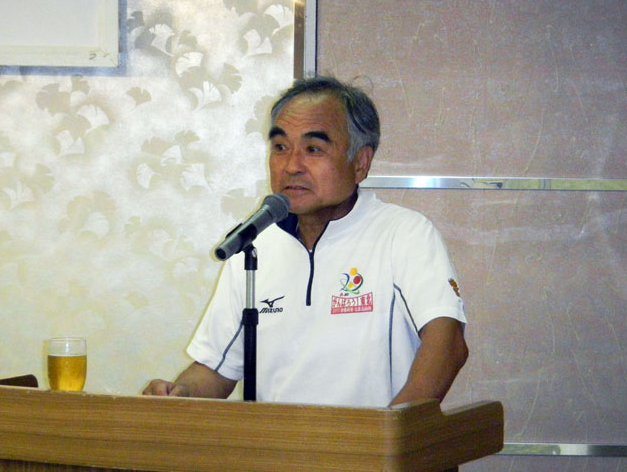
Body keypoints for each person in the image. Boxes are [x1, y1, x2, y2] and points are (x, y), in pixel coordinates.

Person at [143, 76, 468, 406]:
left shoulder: (404, 234)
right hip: (277, 440)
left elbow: (449, 345)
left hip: (368, 438)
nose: (291, 166)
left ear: (360, 163)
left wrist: (391, 430)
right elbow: (215, 369)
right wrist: (178, 395)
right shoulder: (253, 247)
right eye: (280, 147)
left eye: (313, 149)